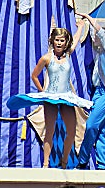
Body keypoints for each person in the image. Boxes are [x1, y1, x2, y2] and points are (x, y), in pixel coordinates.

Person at [7, 23, 93, 169]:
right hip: (51, 98)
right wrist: (43, 92)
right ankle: (45, 164)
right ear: (52, 41)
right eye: (57, 40)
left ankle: (64, 161)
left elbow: (77, 39)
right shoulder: (46, 58)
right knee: (50, 131)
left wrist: (80, 26)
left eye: (62, 40)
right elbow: (34, 75)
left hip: (66, 97)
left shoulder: (68, 54)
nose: (59, 43)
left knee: (72, 131)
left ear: (66, 43)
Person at [76, 12, 105, 170]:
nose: (95, 38)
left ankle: (82, 160)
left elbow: (100, 31)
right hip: (98, 92)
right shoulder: (100, 55)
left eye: (97, 36)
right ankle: (103, 165)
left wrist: (88, 18)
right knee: (100, 129)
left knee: (90, 125)